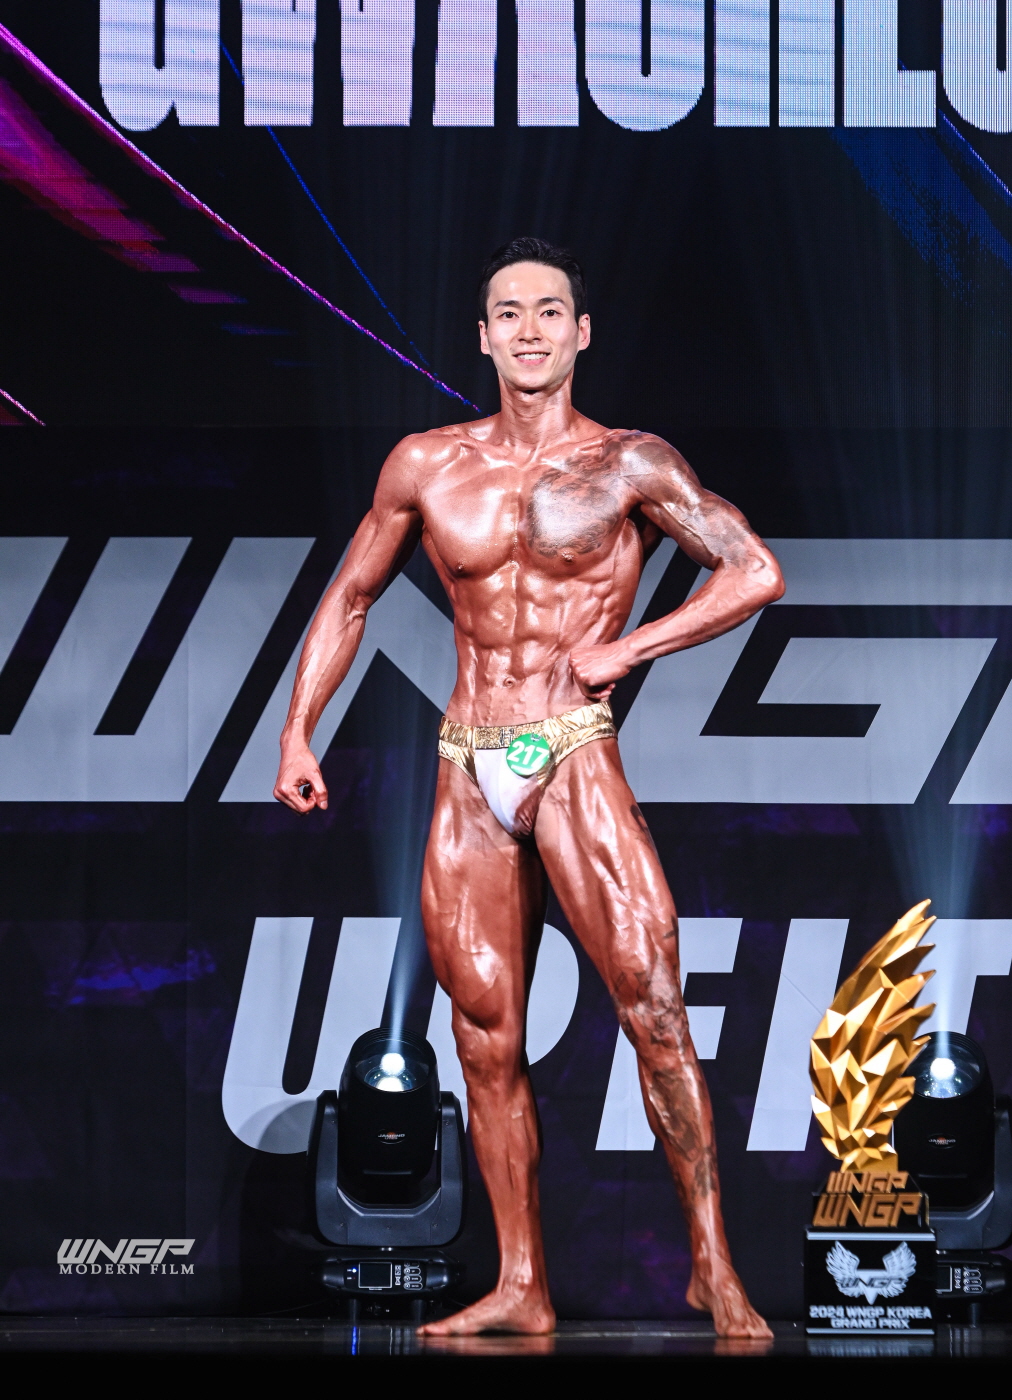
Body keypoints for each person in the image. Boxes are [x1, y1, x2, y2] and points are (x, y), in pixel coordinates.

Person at [274, 238, 784, 1337]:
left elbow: (754, 570)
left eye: (550, 311)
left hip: (571, 748)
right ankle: (520, 1283)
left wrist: (630, 646)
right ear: (484, 337)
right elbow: (352, 595)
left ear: (581, 332)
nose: (531, 330)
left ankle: (713, 1268)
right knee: (484, 1036)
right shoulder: (426, 464)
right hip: (469, 760)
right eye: (509, 313)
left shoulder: (630, 463)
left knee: (653, 1007)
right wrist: (297, 730)